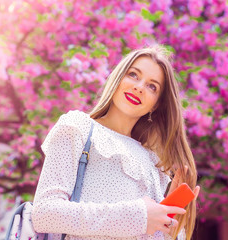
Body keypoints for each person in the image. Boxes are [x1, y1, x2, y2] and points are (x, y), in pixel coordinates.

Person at [31, 45, 200, 240]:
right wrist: (138, 216)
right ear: (118, 78)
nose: (139, 87)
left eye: (152, 86)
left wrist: (169, 222)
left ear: (157, 104)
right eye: (133, 75)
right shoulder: (77, 127)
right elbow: (45, 213)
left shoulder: (153, 163)